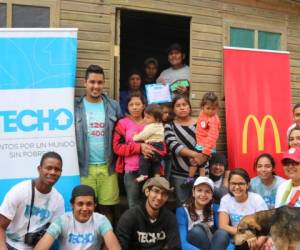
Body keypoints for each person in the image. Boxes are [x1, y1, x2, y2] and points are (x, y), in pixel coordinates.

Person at [74, 64, 122, 224]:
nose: (96, 86)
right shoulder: (75, 106)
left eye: (100, 82)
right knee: (86, 209)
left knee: (107, 209)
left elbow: (122, 131)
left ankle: (105, 245)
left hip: (108, 167)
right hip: (84, 168)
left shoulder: (113, 106)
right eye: (92, 82)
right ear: (85, 83)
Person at [0, 152, 65, 250]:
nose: (52, 172)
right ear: (39, 169)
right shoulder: (20, 191)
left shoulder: (58, 200)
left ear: (60, 172)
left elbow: (52, 234)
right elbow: (1, 226)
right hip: (10, 245)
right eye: (49, 168)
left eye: (57, 169)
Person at [34, 185, 121, 250]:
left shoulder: (101, 220)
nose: (84, 208)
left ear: (95, 205)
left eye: (89, 204)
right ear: (72, 205)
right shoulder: (62, 221)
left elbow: (114, 247)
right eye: (80, 204)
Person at [113, 92, 155, 208]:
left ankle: (148, 226)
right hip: (131, 171)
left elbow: (160, 143)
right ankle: (137, 226)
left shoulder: (151, 122)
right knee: (134, 205)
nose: (135, 107)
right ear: (127, 107)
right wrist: (139, 148)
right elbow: (117, 147)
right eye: (131, 105)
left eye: (138, 104)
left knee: (151, 204)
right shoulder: (122, 123)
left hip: (150, 169)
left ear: (144, 105)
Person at [116, 176, 181, 250]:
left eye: (164, 194)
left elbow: (175, 246)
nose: (159, 197)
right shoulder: (129, 218)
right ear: (147, 192)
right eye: (156, 191)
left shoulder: (170, 218)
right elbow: (121, 246)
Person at [164, 95, 205, 205]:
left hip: (201, 172)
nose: (182, 108)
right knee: (182, 204)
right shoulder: (169, 125)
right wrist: (195, 154)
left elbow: (208, 143)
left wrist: (199, 158)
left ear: (189, 107)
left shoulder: (201, 123)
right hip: (179, 174)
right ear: (173, 109)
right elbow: (172, 145)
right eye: (178, 106)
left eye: (184, 105)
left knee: (200, 204)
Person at [219, 168, 268, 250]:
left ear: (247, 185)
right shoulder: (226, 199)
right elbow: (223, 225)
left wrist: (257, 245)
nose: (237, 187)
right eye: (233, 183)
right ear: (229, 184)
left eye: (241, 183)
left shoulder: (256, 199)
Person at [176, 176, 229, 250]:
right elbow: (182, 242)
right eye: (199, 190)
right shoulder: (182, 211)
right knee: (197, 231)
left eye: (207, 191)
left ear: (211, 195)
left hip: (214, 245)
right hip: (193, 246)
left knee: (222, 233)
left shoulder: (216, 208)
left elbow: (225, 239)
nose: (203, 194)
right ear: (193, 192)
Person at [183, 92, 221, 186]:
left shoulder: (213, 120)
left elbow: (213, 137)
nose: (210, 111)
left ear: (217, 109)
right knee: (196, 162)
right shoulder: (203, 114)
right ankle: (191, 178)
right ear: (202, 107)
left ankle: (200, 181)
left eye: (213, 109)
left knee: (200, 163)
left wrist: (206, 152)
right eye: (208, 108)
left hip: (207, 147)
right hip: (200, 144)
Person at [133, 104, 166, 182]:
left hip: (153, 145)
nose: (145, 119)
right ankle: (157, 175)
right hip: (160, 147)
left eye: (148, 117)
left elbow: (143, 136)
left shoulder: (151, 126)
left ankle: (143, 174)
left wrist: (135, 137)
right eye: (144, 116)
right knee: (156, 162)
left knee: (144, 157)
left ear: (157, 119)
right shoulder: (160, 125)